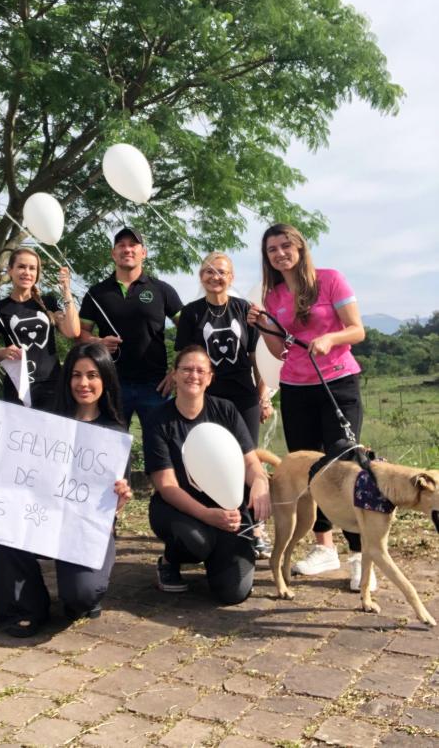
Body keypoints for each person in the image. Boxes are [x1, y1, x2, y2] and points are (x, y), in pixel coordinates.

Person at [0, 342, 132, 637]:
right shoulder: (42, 423)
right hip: (38, 519)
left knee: (82, 596)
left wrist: (120, 498)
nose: (84, 383)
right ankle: (25, 607)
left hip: (84, 531)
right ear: (66, 379)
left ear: (105, 380)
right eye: (76, 375)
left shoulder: (116, 436)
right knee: (4, 526)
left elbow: (114, 503)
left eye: (92, 375)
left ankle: (78, 596)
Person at [247, 222, 369, 591]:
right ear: (267, 257)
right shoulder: (273, 295)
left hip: (338, 383)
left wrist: (330, 338)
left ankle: (361, 557)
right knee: (311, 471)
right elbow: (279, 351)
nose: (280, 253)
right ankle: (323, 547)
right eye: (272, 249)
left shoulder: (330, 280)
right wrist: (264, 326)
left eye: (286, 245)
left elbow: (357, 330)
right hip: (296, 389)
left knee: (346, 468)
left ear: (300, 247)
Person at [143, 345, 271, 602]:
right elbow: (166, 485)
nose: (194, 375)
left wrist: (259, 482)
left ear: (210, 377)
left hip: (227, 510)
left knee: (234, 593)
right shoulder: (158, 419)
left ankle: (217, 556)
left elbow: (250, 462)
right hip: (178, 510)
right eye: (186, 369)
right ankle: (170, 561)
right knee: (195, 541)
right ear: (174, 375)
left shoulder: (225, 410)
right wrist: (207, 516)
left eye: (201, 370)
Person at [175, 251, 274, 558]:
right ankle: (215, 518)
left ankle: (254, 525)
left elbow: (258, 356)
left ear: (231, 278)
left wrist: (264, 393)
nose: (215, 277)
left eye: (221, 272)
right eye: (208, 271)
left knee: (248, 460)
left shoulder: (246, 310)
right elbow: (185, 357)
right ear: (200, 277)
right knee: (212, 457)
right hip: (208, 397)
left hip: (243, 395)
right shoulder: (191, 313)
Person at [79, 227, 182, 433]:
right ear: (113, 253)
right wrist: (97, 342)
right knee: (111, 450)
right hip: (111, 384)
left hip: (156, 385)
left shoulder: (161, 290)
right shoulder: (97, 292)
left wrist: (176, 371)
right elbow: (80, 335)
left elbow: (188, 329)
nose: (127, 250)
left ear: (143, 252)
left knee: (160, 448)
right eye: (121, 245)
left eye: (133, 245)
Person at [0, 248, 80, 409]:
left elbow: (72, 331)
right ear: (10, 270)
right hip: (18, 386)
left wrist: (66, 291)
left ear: (37, 273)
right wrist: (2, 352)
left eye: (32, 268)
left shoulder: (48, 302)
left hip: (52, 384)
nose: (27, 272)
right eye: (21, 267)